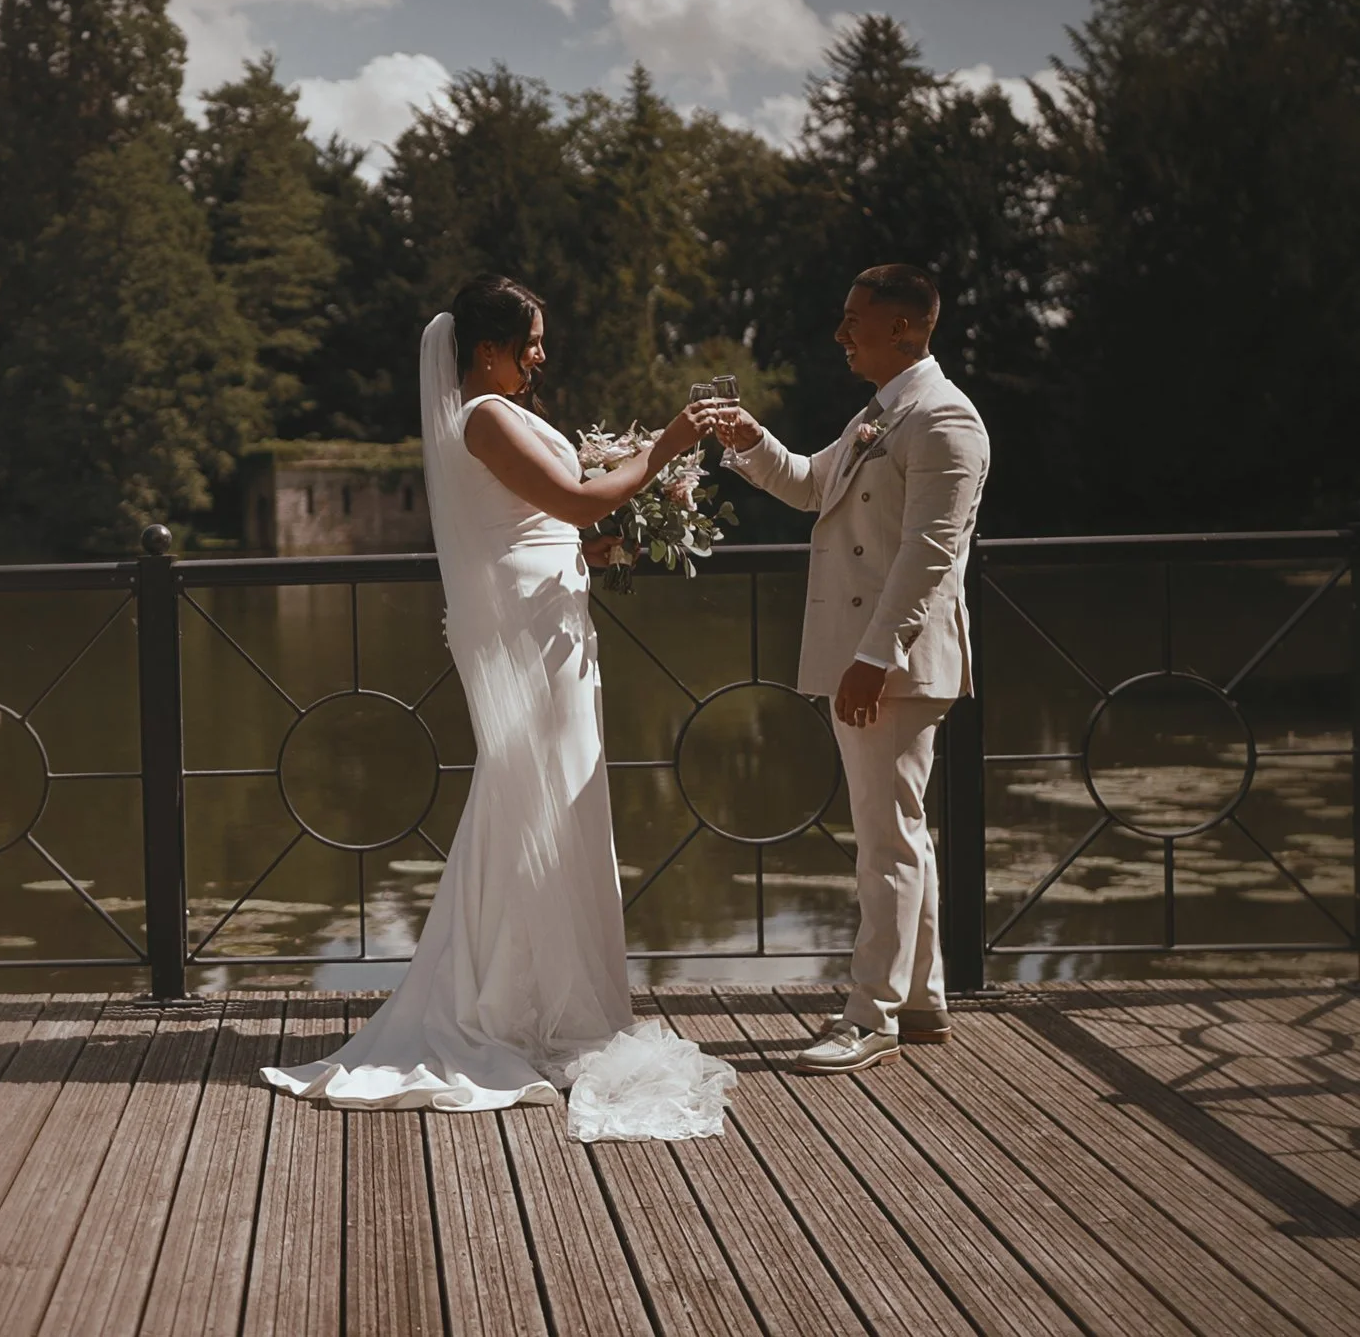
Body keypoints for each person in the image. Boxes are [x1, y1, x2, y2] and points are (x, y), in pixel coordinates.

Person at [260, 274, 735, 1141]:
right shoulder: (481, 417)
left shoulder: (502, 414)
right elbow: (577, 496)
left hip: (553, 615)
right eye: (532, 342)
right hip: (526, 629)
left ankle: (537, 987)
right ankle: (509, 1000)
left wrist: (597, 542)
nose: (542, 355)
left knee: (556, 799)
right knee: (532, 799)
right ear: (488, 349)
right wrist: (664, 448)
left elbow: (551, 519)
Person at [704, 264, 991, 1075]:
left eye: (855, 319)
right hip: (867, 657)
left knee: (884, 843)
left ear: (905, 327)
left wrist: (875, 656)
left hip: (892, 661)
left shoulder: (945, 421)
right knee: (900, 833)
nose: (841, 334)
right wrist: (749, 441)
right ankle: (923, 1000)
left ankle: (869, 1018)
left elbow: (931, 554)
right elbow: (807, 487)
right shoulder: (881, 414)